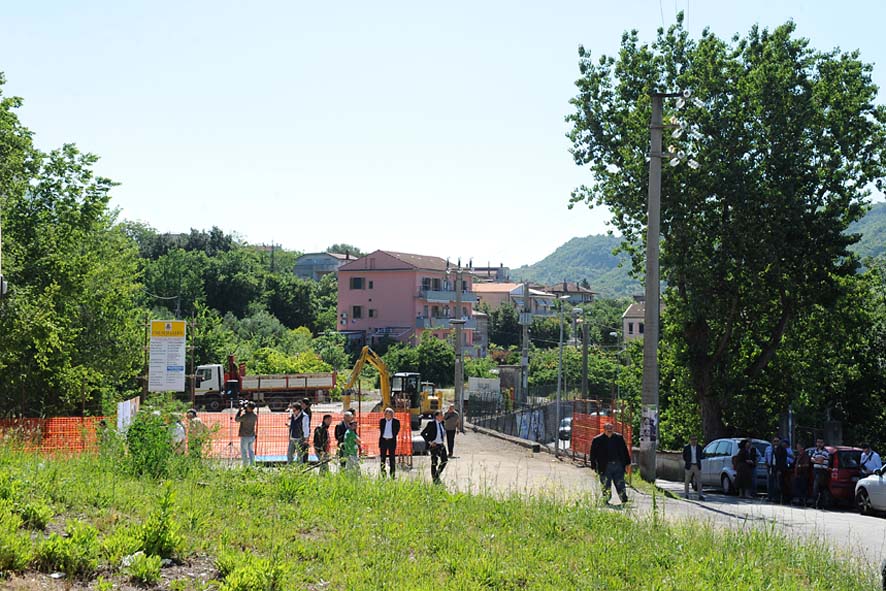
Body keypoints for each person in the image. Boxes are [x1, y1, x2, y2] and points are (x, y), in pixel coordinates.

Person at [590, 422, 631, 504]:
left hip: (618, 465)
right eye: (607, 429)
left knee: (620, 483)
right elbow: (593, 454)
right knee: (606, 484)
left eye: (611, 429)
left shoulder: (619, 438)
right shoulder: (597, 440)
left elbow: (625, 451)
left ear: (613, 429)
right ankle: (606, 500)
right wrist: (594, 466)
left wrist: (627, 463)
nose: (609, 430)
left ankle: (624, 499)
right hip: (604, 466)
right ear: (604, 429)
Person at [421, 411, 449, 484]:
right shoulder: (431, 424)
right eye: (441, 415)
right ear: (437, 416)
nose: (442, 416)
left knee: (445, 460)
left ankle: (437, 474)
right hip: (434, 445)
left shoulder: (442, 423)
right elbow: (423, 433)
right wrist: (430, 442)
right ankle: (434, 479)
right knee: (434, 462)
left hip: (441, 445)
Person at [378, 408, 400, 478]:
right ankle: (383, 474)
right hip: (383, 441)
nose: (388, 415)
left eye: (390, 414)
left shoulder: (396, 421)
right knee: (382, 458)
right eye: (386, 414)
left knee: (392, 458)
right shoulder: (382, 421)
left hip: (391, 441)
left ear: (392, 415)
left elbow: (397, 430)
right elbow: (381, 430)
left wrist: (392, 436)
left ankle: (392, 474)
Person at [234, 401, 258, 467]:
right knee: (251, 451)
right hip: (252, 435)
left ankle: (245, 465)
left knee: (244, 451)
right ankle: (252, 464)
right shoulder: (255, 416)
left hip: (245, 436)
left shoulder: (245, 416)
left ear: (249, 408)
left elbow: (236, 419)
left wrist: (239, 411)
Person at [810, 438, 831, 509]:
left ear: (823, 443)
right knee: (817, 488)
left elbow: (821, 460)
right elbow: (812, 459)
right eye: (818, 442)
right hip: (816, 470)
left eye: (820, 442)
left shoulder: (825, 451)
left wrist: (816, 460)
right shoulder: (816, 451)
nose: (819, 444)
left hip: (822, 471)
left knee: (817, 487)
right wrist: (816, 460)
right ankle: (817, 504)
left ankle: (818, 504)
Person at [682, 435, 705, 500]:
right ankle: (686, 494)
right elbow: (684, 456)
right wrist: (688, 461)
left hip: (697, 466)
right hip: (689, 466)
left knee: (699, 481)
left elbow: (701, 455)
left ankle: (700, 495)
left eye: (695, 439)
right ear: (689, 440)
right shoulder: (686, 448)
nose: (694, 441)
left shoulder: (699, 447)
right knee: (687, 481)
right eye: (692, 439)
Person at [765, 436, 786, 502]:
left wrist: (780, 470)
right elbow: (767, 457)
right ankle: (770, 496)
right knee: (770, 483)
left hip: (778, 468)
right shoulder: (770, 449)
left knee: (777, 484)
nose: (776, 443)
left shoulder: (782, 449)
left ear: (780, 442)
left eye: (777, 441)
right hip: (771, 467)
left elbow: (782, 461)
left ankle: (777, 498)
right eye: (774, 441)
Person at [792, 442, 811, 506]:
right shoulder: (798, 455)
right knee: (798, 488)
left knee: (803, 488)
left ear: (802, 447)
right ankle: (800, 500)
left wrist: (799, 466)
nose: (797, 448)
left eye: (798, 446)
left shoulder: (805, 455)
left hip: (803, 475)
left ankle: (804, 501)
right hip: (797, 474)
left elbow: (806, 465)